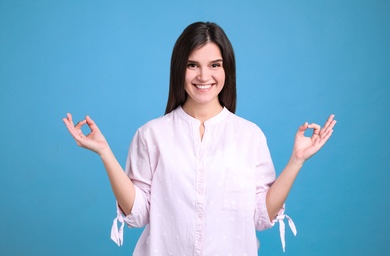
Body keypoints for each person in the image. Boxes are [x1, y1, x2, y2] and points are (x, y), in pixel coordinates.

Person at [63, 21, 336, 255]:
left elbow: (260, 215)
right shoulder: (151, 134)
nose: (204, 76)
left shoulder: (249, 136)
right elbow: (137, 215)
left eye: (214, 65)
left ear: (226, 69)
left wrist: (296, 161)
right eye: (193, 65)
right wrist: (105, 153)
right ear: (179, 69)